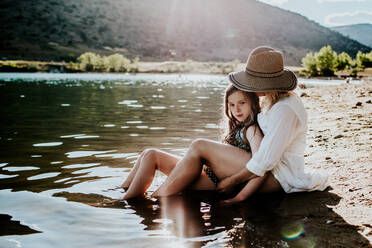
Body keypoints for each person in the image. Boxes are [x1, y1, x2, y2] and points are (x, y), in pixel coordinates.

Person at [124, 46, 329, 202]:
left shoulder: (285, 109)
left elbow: (264, 162)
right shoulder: (271, 102)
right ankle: (124, 194)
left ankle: (155, 200)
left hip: (279, 178)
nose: (250, 87)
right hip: (259, 170)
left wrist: (234, 188)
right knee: (150, 154)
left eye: (253, 83)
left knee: (199, 145)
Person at [122, 83, 266, 201]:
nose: (237, 109)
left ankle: (133, 200)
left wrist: (240, 196)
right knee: (150, 154)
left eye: (242, 103)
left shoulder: (251, 129)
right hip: (208, 174)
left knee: (198, 144)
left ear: (253, 103)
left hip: (216, 181)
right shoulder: (238, 127)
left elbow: (260, 163)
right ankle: (124, 190)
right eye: (232, 105)